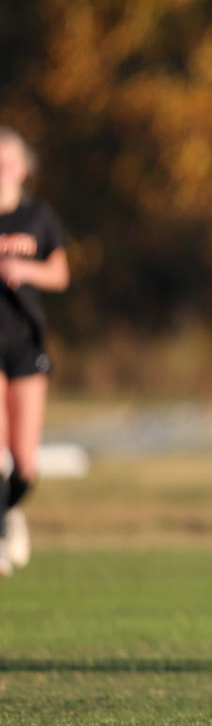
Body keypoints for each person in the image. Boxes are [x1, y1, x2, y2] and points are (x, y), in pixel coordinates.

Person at [0, 128, 69, 578]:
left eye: (8, 161)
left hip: (25, 345)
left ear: (24, 168)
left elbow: (59, 275)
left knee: (24, 463)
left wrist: (23, 267)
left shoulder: (38, 216)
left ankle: (9, 512)